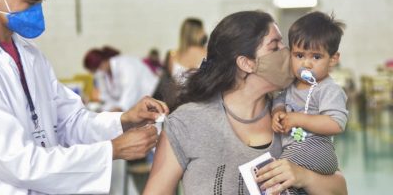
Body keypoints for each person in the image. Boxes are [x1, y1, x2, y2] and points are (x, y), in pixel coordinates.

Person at [0, 0, 168, 194]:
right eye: (31, 2)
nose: (38, 12)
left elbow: (69, 121)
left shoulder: (32, 56)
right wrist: (112, 150)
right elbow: (21, 164)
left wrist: (124, 120)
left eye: (42, 1)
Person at [143, 11, 347, 195]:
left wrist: (303, 176)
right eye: (275, 47)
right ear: (246, 63)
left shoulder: (291, 112)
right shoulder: (187, 121)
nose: (288, 54)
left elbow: (339, 188)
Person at [271, 11, 348, 194]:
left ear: (333, 59)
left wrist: (298, 119)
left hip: (317, 149)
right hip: (296, 148)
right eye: (299, 55)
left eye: (316, 57)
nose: (306, 64)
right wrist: (279, 112)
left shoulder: (328, 89)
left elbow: (336, 123)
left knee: (279, 174)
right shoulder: (291, 85)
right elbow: (279, 100)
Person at [84, 46, 159, 112]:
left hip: (155, 97)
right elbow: (106, 97)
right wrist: (107, 110)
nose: (97, 72)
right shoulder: (104, 74)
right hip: (139, 105)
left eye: (96, 69)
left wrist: (118, 109)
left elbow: (130, 92)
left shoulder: (126, 65)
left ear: (104, 61)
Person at [167, 17, 207, 84]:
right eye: (202, 30)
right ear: (198, 33)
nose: (204, 33)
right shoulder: (206, 53)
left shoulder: (172, 57)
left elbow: (173, 84)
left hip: (178, 94)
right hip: (202, 93)